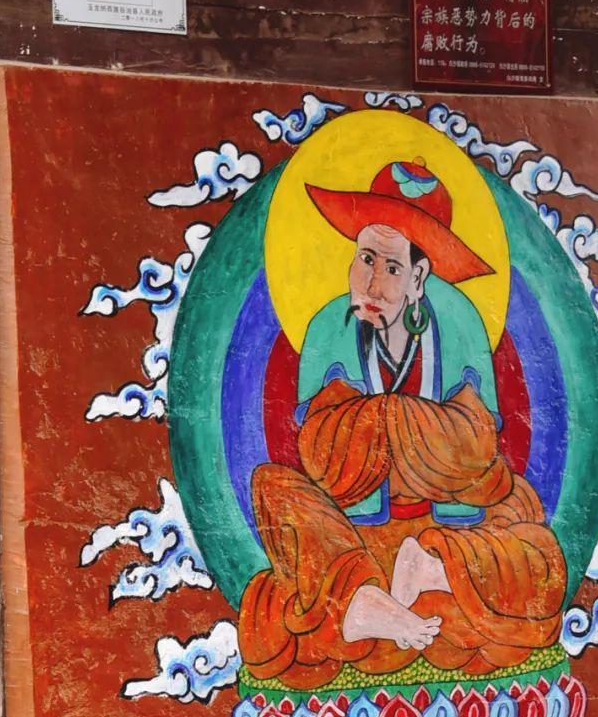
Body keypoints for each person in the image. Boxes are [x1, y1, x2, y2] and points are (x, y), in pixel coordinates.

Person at [238, 157, 567, 690]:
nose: (371, 282)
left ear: (419, 277)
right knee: (273, 489)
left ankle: (428, 575)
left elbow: (475, 453)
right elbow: (323, 460)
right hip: (355, 543)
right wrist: (404, 427)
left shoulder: (460, 322)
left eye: (391, 267)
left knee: (538, 553)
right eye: (364, 258)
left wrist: (385, 425)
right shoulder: (328, 329)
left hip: (448, 536)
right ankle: (365, 600)